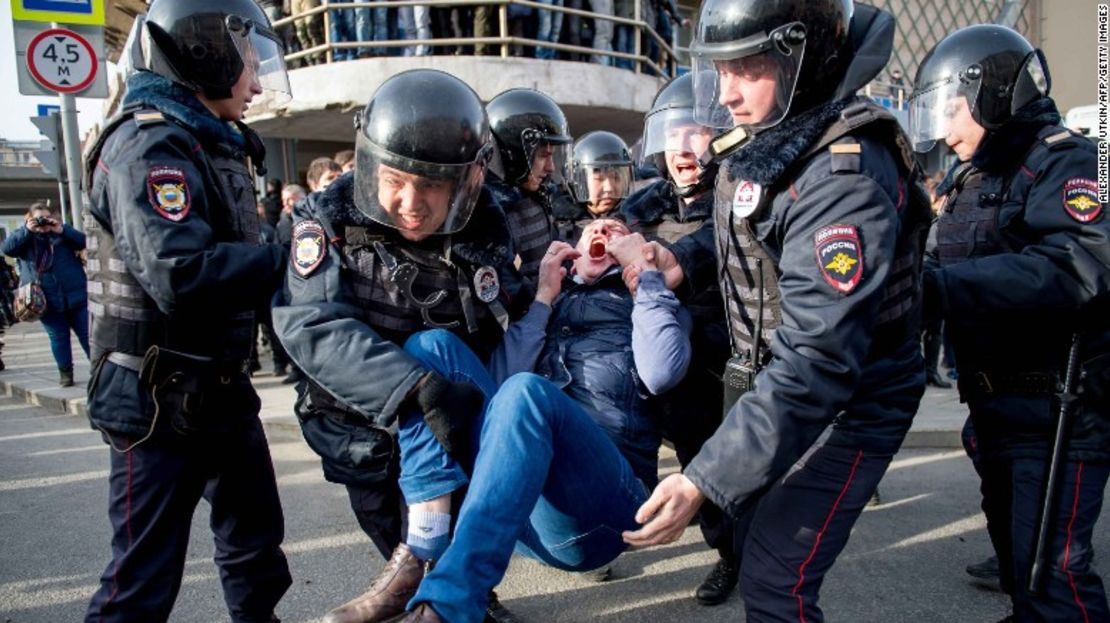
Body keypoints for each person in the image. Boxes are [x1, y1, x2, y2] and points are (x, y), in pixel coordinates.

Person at [616, 2, 933, 620]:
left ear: (801, 59)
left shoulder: (843, 177)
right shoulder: (784, 133)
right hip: (782, 387)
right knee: (758, 541)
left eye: (747, 69)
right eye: (720, 71)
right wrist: (683, 258)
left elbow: (817, 359)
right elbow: (754, 227)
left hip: (849, 403)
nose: (726, 95)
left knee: (774, 576)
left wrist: (702, 479)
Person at [272, 69, 528, 623]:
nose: (409, 203)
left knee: (458, 528)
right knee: (390, 529)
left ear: (463, 183)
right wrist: (413, 386)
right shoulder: (327, 222)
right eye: (393, 180)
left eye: (431, 186)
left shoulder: (484, 228)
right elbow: (311, 325)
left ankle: (466, 596)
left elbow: (500, 317)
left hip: (449, 424)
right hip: (363, 427)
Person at [81, 1, 293, 620]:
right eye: (248, 64)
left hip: (219, 384)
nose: (256, 83)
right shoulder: (149, 143)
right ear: (205, 53)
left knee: (255, 541)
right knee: (141, 579)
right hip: (153, 396)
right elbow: (182, 273)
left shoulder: (210, 138)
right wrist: (291, 255)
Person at [393, 217, 691, 622]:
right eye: (592, 231)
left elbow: (661, 373)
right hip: (519, 505)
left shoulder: (646, 301)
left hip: (605, 507)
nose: (602, 232)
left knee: (526, 391)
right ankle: (424, 550)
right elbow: (497, 391)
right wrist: (544, 297)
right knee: (433, 347)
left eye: (617, 232)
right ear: (574, 253)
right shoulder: (554, 303)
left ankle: (448, 606)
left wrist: (649, 282)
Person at [910, 24, 1110, 621]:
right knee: (1021, 572)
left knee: (1055, 581)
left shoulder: (1064, 159)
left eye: (953, 110)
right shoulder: (971, 173)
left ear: (992, 92)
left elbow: (1080, 263)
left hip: (1058, 415)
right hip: (995, 409)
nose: (945, 129)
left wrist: (939, 288)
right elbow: (941, 255)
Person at [619, 73, 739, 606]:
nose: (681, 147)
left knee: (723, 462)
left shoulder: (740, 194)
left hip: (724, 358)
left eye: (695, 132)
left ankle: (735, 557)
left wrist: (675, 266)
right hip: (663, 364)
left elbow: (718, 245)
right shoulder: (643, 207)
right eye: (673, 133)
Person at [485, 88, 573, 285]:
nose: (550, 168)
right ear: (513, 153)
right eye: (543, 155)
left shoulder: (535, 197)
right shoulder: (488, 217)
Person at [2, 202, 90, 386]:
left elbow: (84, 242)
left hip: (76, 296)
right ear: (30, 218)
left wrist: (61, 229)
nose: (43, 222)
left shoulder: (61, 235)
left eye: (46, 217)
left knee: (88, 335)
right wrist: (27, 230)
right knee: (58, 337)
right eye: (38, 218)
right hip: (45, 300)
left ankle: (101, 370)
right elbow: (7, 248)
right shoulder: (24, 240)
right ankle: (66, 373)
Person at [557, 130, 633, 240]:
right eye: (599, 179)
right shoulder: (559, 228)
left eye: (616, 178)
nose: (609, 188)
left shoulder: (634, 222)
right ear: (578, 181)